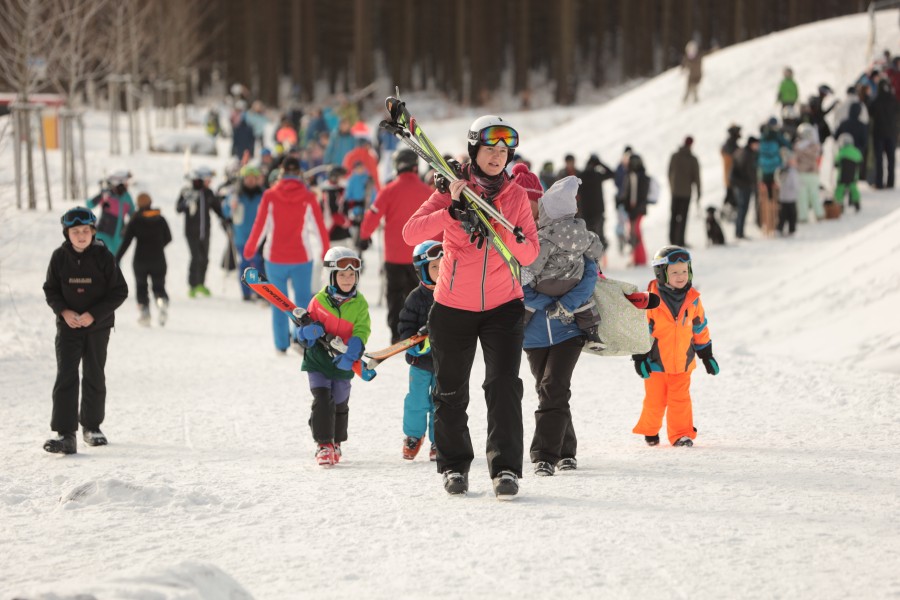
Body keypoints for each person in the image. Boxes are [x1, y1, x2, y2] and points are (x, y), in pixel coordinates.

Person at [402, 115, 540, 498]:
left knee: (504, 387)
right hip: (452, 306)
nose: (497, 157)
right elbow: (409, 233)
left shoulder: (514, 197)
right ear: (473, 150)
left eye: (503, 151)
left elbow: (529, 253)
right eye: (489, 149)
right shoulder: (450, 187)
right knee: (449, 391)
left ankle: (506, 470)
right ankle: (454, 467)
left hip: (503, 306)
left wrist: (502, 232)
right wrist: (451, 210)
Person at [42, 207, 129, 454]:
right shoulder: (59, 257)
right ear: (67, 234)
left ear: (92, 231)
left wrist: (94, 315)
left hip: (97, 327)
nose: (81, 236)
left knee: (94, 372)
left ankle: (92, 427)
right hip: (68, 327)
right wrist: (64, 312)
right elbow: (50, 289)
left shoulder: (103, 256)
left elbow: (119, 291)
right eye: (75, 231)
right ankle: (65, 434)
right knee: (66, 375)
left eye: (85, 231)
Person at [631, 246, 718, 447]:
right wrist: (640, 357)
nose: (681, 276)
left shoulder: (693, 300)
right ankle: (650, 430)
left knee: (681, 400)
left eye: (684, 271)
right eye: (674, 272)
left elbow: (700, 328)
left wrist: (706, 355)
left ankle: (681, 434)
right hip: (656, 363)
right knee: (656, 400)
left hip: (683, 361)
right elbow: (641, 331)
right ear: (662, 274)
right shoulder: (650, 301)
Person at [243, 156, 330, 353]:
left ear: (282, 172)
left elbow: (260, 226)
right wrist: (325, 251)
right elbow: (319, 228)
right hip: (301, 258)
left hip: (275, 258)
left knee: (278, 302)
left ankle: (281, 345)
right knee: (302, 301)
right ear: (300, 173)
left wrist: (249, 249)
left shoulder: (270, 196)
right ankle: (300, 341)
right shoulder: (308, 198)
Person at [294, 247, 371, 467]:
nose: (347, 279)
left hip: (343, 359)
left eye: (351, 275)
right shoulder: (318, 301)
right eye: (342, 274)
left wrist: (353, 351)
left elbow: (362, 329)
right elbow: (302, 333)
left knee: (339, 402)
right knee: (322, 399)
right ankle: (324, 444)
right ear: (331, 276)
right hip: (318, 360)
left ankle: (336, 441)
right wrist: (306, 333)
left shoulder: (360, 303)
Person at [523, 253, 598, 475]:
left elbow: (590, 274)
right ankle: (566, 451)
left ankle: (544, 455)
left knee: (553, 386)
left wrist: (565, 304)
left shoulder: (577, 240)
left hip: (569, 331)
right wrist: (553, 303)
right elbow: (517, 284)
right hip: (533, 337)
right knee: (549, 391)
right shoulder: (526, 244)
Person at [358, 148, 434, 343]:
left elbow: (373, 214)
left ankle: (395, 333)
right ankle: (419, 331)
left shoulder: (389, 190)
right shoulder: (428, 192)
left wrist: (364, 235)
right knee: (419, 295)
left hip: (394, 255)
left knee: (394, 296)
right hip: (420, 256)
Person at [521, 175, 604, 347]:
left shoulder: (545, 237)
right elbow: (596, 249)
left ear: (548, 213)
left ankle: (519, 326)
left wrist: (524, 274)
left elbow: (536, 260)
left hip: (546, 284)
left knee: (527, 301)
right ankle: (592, 333)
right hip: (573, 283)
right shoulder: (584, 233)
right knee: (585, 301)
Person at [397, 240, 443, 461]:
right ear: (422, 271)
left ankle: (439, 440)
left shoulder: (454, 294)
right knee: (416, 401)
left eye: (444, 264)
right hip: (421, 363)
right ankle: (414, 436)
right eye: (434, 267)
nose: (440, 269)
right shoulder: (416, 298)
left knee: (440, 403)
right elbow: (405, 326)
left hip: (445, 362)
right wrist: (411, 342)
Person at [115, 193, 172, 326]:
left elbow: (126, 241)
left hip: (140, 259)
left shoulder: (135, 220)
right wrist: (158, 246)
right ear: (150, 202)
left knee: (141, 286)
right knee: (159, 286)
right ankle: (161, 302)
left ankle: (145, 314)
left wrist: (116, 258)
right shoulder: (160, 219)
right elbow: (168, 237)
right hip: (159, 259)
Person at [175, 167, 225, 297]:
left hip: (205, 232)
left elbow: (217, 208)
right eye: (208, 180)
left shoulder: (208, 193)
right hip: (191, 233)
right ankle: (192, 285)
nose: (210, 182)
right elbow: (178, 208)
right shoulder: (187, 192)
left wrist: (226, 219)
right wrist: (188, 202)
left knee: (205, 258)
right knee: (195, 257)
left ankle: (201, 284)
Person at [223, 165, 265, 301]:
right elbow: (225, 210)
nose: (251, 181)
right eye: (248, 178)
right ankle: (246, 292)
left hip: (258, 236)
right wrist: (230, 206)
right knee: (245, 263)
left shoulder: (262, 195)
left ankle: (259, 290)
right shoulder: (237, 195)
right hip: (241, 236)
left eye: (254, 178)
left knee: (258, 263)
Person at [86, 171, 135, 256]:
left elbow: (133, 214)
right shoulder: (107, 194)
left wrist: (128, 228)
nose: (127, 185)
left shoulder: (127, 197)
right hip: (102, 233)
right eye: (125, 182)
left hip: (118, 236)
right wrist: (101, 195)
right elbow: (89, 204)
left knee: (115, 262)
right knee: (98, 260)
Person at [616, 153, 651, 266]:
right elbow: (626, 193)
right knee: (632, 233)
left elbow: (643, 196)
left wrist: (636, 209)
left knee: (635, 231)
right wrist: (622, 202)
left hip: (638, 209)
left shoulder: (642, 176)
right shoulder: (629, 175)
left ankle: (640, 259)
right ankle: (636, 258)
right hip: (630, 209)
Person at [667, 136, 701, 247]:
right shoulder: (692, 159)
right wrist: (699, 192)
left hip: (675, 192)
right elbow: (697, 177)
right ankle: (680, 240)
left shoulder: (675, 156)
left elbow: (669, 172)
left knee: (673, 216)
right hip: (686, 193)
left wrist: (671, 186)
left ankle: (672, 239)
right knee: (683, 217)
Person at [577, 154, 614, 249]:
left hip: (585, 211)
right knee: (599, 236)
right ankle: (601, 255)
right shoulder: (597, 175)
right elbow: (612, 174)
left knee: (588, 236)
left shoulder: (581, 176)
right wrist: (600, 164)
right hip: (598, 211)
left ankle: (591, 257)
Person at [868, 78, 898, 189]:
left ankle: (879, 183)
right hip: (891, 133)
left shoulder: (876, 100)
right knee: (891, 160)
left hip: (879, 134)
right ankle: (891, 182)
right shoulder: (893, 100)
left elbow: (870, 112)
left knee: (879, 160)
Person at [793, 123, 823, 223]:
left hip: (801, 173)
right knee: (814, 195)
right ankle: (819, 214)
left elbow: (795, 158)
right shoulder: (815, 146)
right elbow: (817, 156)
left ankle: (803, 216)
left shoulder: (797, 146)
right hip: (812, 173)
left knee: (803, 196)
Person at [730, 136, 759, 240]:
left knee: (741, 208)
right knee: (742, 208)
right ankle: (739, 232)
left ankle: (739, 232)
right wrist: (753, 182)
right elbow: (747, 171)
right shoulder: (747, 154)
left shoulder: (742, 152)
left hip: (739, 184)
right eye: (756, 144)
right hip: (743, 185)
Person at [834, 133, 863, 212]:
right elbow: (860, 161)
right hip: (853, 177)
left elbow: (836, 163)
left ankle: (839, 205)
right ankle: (856, 203)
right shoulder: (856, 151)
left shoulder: (841, 152)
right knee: (854, 190)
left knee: (839, 190)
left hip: (842, 177)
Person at [777, 154, 800, 236]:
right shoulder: (790, 171)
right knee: (790, 214)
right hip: (789, 196)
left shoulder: (783, 171)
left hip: (785, 196)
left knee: (785, 214)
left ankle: (784, 229)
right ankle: (788, 229)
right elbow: (795, 184)